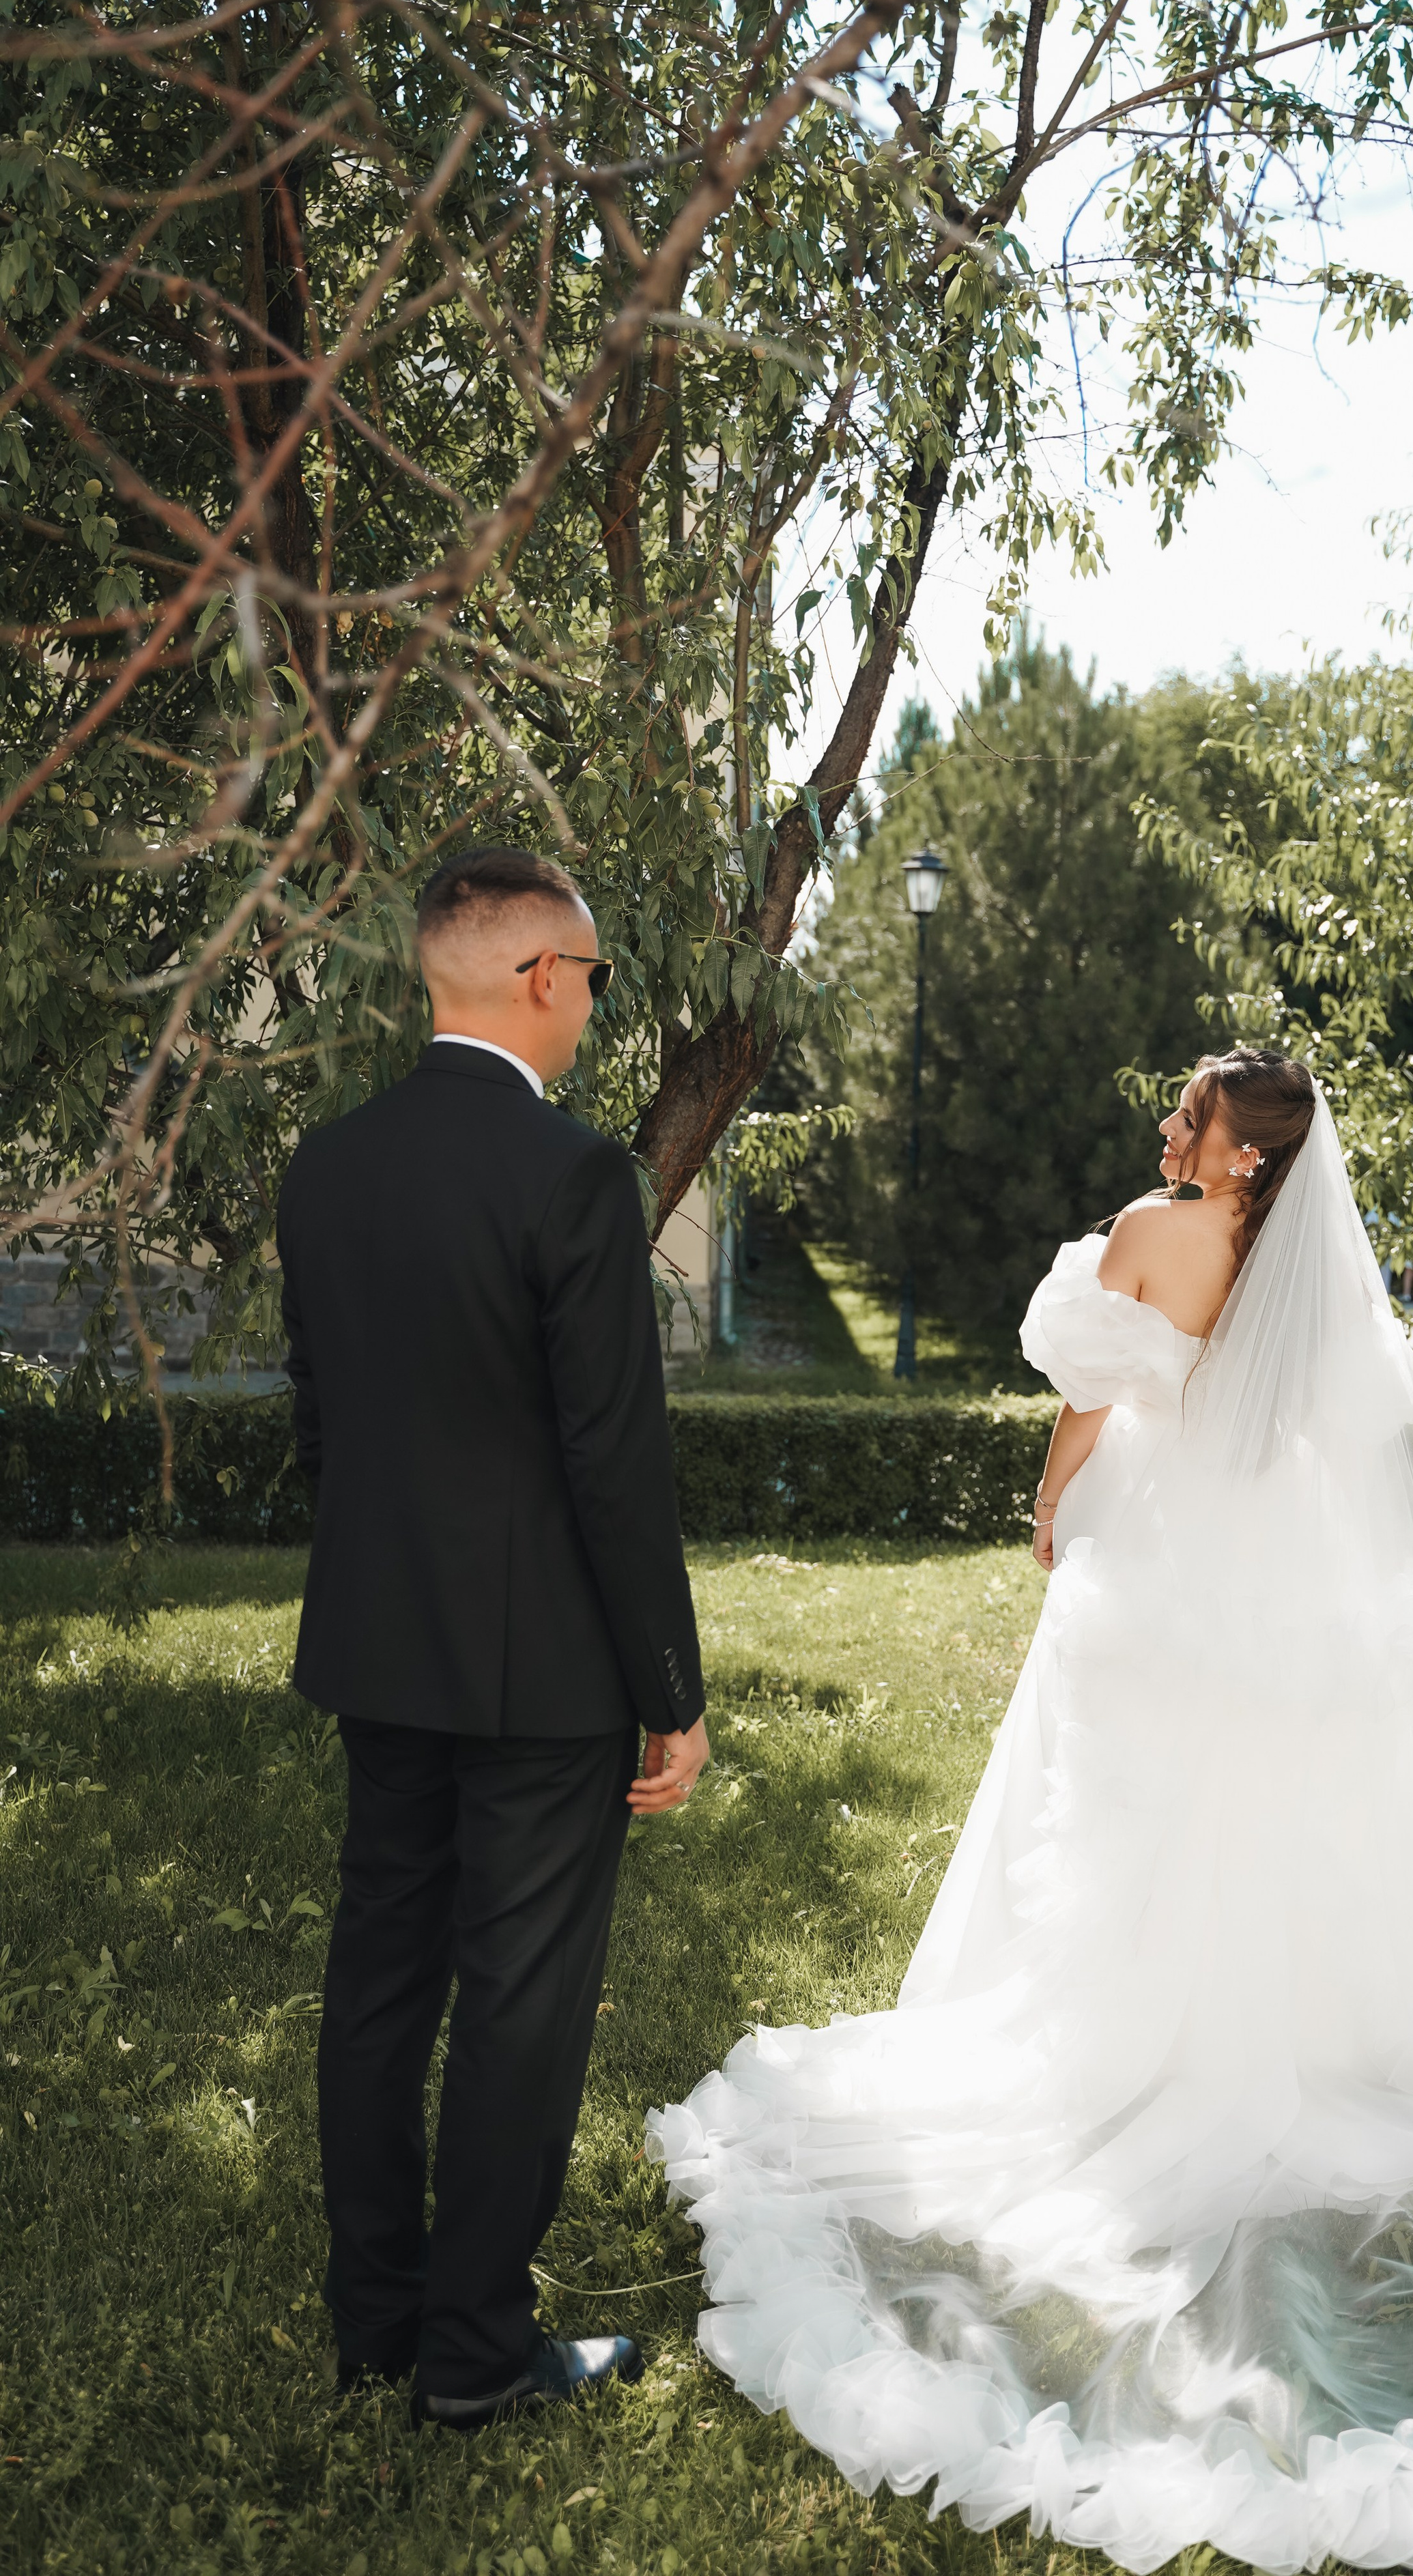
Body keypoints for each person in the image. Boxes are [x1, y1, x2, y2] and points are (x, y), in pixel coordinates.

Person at [651, 1046, 1413, 2574]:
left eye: (1194, 1116)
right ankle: (1292, 2034)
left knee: (1130, 1803)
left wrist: (1046, 1510)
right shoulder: (1300, 1268)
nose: (1169, 1127)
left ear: (1240, 1156)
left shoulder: (1156, 1228)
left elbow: (1091, 1403)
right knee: (1263, 1798)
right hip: (1275, 1558)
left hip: (1164, 1559)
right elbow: (1321, 1435)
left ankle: (1131, 2040)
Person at [278, 844, 710, 2429]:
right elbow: (612, 1460)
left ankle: (374, 2328)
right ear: (541, 978)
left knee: (380, 1979)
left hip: (379, 1651)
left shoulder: (326, 1165)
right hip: (544, 1683)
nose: (591, 1008)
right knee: (518, 2002)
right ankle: (472, 2360)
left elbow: (324, 1425)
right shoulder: (575, 1176)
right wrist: (669, 1692)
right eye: (590, 978)